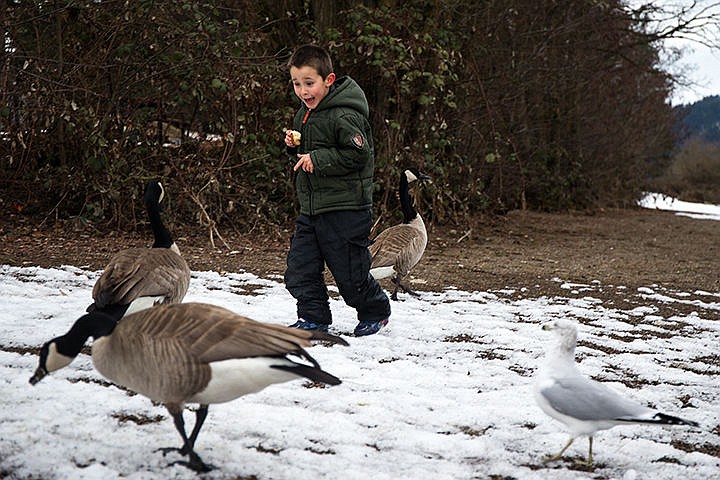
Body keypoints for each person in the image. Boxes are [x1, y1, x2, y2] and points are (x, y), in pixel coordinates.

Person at [283, 44, 391, 337]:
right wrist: (294, 148)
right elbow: (307, 158)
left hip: (346, 209)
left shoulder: (344, 115)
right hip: (312, 209)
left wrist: (317, 159)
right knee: (299, 270)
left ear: (328, 81)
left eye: (309, 83)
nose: (303, 91)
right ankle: (313, 317)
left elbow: (359, 155)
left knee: (350, 273)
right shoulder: (304, 114)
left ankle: (375, 311)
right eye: (296, 84)